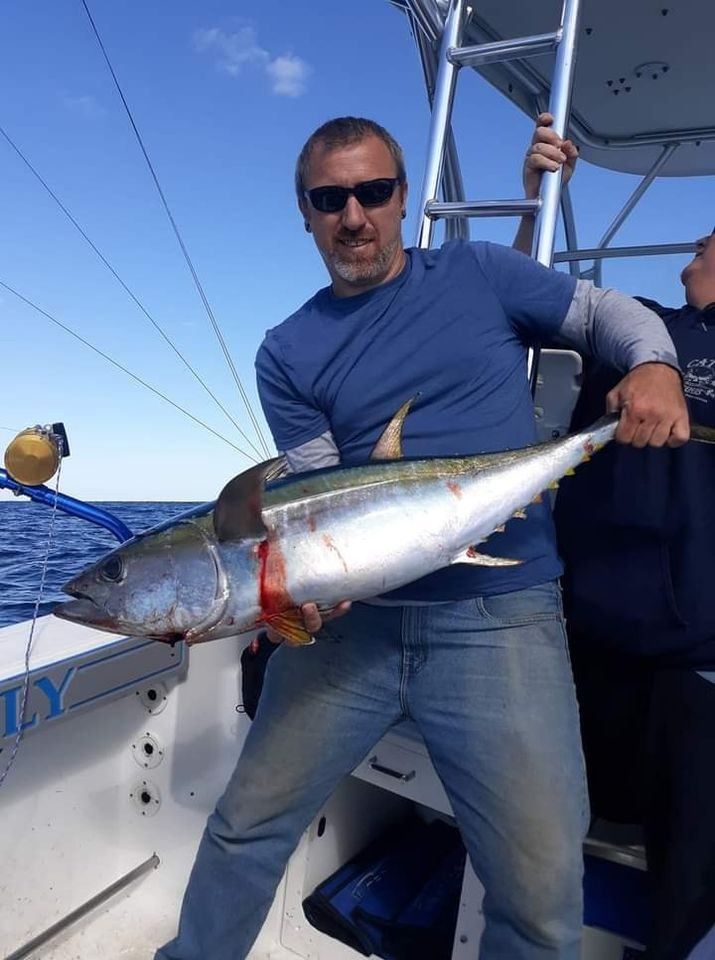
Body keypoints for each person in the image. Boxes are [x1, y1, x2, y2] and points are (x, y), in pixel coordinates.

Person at [156, 116, 688, 960]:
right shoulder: (286, 351)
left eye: (373, 192)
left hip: (500, 618)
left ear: (403, 199)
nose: (353, 216)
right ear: (304, 213)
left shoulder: (478, 271)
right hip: (353, 630)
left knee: (540, 893)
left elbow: (603, 312)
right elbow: (324, 489)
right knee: (243, 828)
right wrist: (309, 589)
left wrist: (653, 365)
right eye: (330, 200)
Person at [522, 116, 715, 959]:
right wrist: (538, 198)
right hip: (574, 632)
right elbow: (513, 306)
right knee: (535, 836)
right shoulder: (628, 321)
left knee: (691, 878)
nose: (702, 234)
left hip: (696, 659)